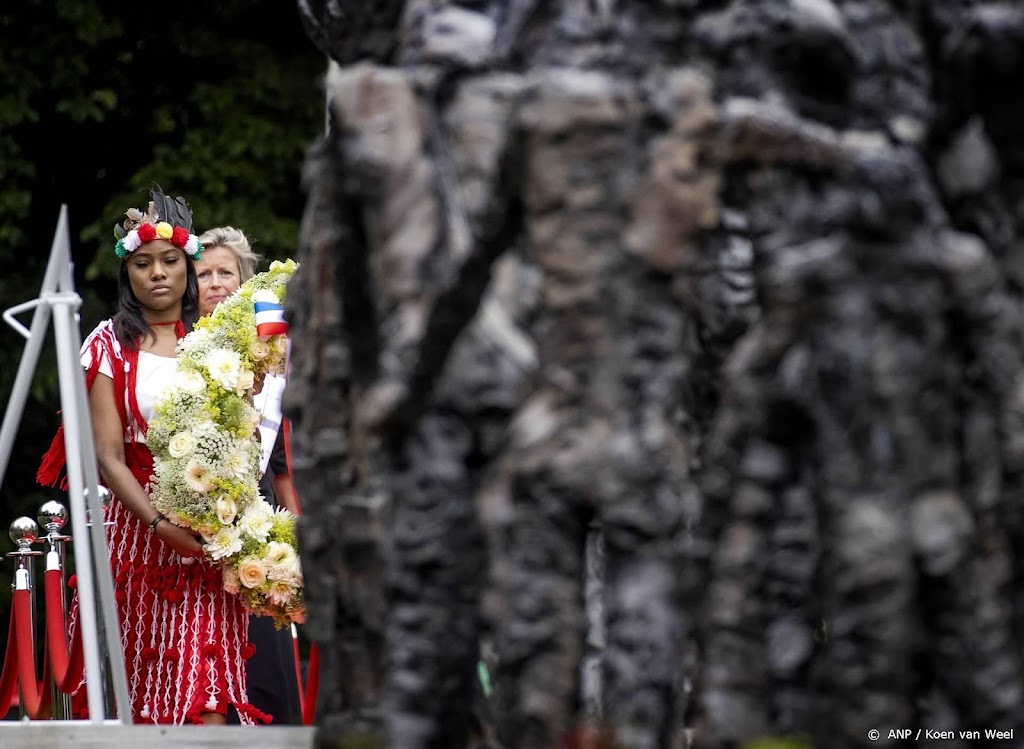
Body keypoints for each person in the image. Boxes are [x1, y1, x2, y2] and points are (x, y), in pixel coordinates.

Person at [36, 187, 267, 725]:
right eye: (143, 264)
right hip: (135, 530)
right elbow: (107, 455)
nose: (158, 273)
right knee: (137, 686)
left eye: (169, 261)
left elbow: (244, 437)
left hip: (212, 532)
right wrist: (159, 523)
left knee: (207, 687)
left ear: (187, 267)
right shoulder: (106, 344)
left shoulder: (216, 341)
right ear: (128, 275)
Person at [195, 225, 303, 725]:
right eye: (203, 273)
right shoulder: (169, 353)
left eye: (225, 272)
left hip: (256, 539)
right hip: (188, 536)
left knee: (266, 680)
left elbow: (282, 470)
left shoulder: (271, 365)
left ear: (244, 283)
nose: (215, 283)